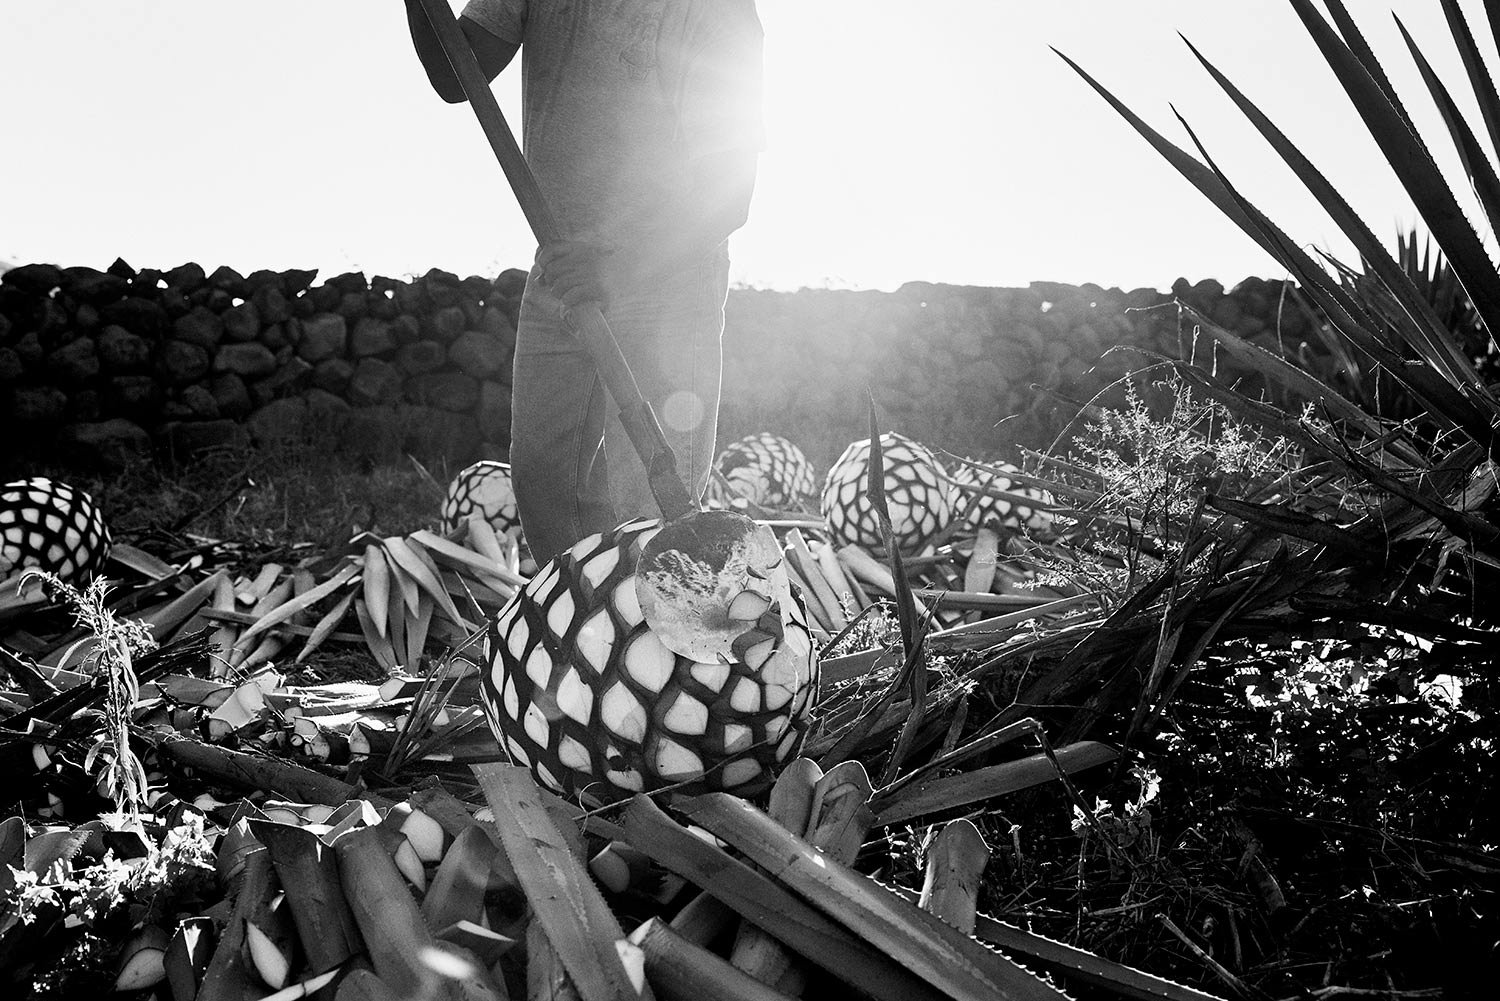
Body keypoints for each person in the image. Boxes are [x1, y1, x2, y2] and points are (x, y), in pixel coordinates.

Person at [405, 0, 765, 565]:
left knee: (650, 505)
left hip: (668, 271)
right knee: (546, 481)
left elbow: (729, 190)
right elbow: (457, 74)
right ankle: (578, 638)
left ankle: (661, 642)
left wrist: (621, 264)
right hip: (562, 263)